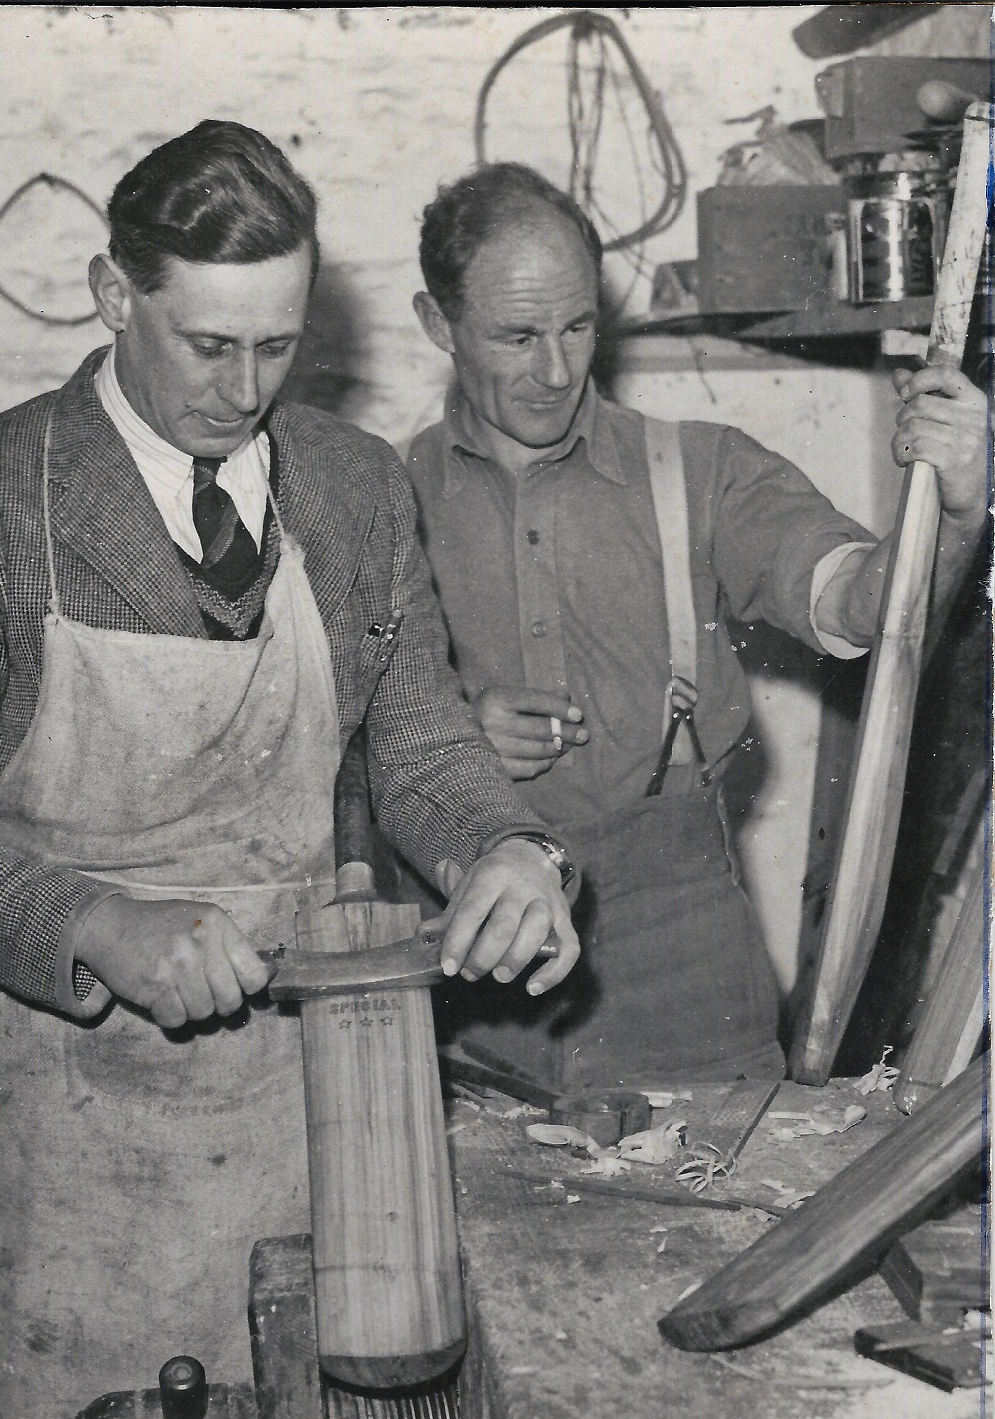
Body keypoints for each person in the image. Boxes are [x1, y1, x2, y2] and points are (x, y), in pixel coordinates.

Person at [0, 124, 580, 1419]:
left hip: (325, 1117)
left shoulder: (353, 486)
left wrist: (510, 845)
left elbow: (415, 736)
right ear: (111, 293)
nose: (244, 390)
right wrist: (91, 920)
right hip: (80, 1137)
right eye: (208, 345)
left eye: (277, 344)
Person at [405, 161, 989, 1092]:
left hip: (682, 958)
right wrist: (438, 747)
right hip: (465, 962)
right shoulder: (381, 502)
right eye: (517, 336)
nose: (556, 371)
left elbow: (866, 605)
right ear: (438, 325)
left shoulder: (700, 471)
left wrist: (957, 514)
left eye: (578, 325)